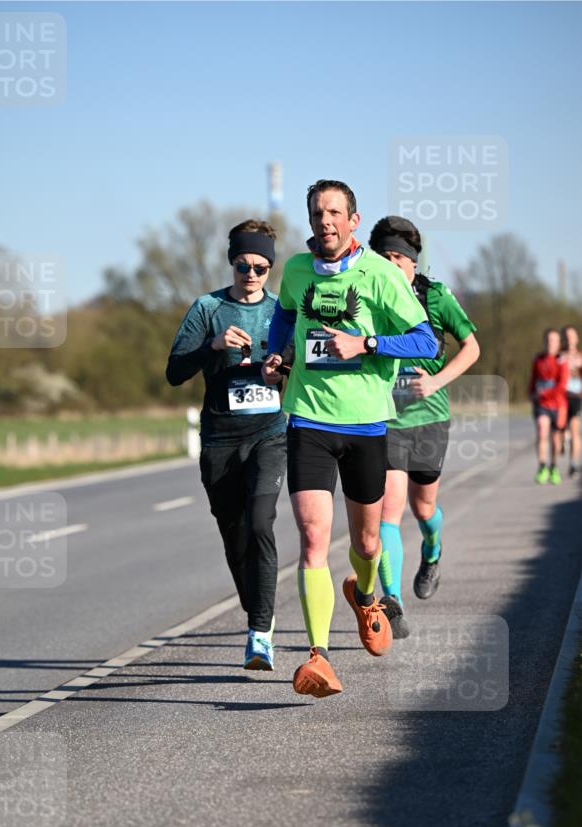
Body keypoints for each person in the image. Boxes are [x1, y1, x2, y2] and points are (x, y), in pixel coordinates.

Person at [262, 180, 437, 699]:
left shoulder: (381, 275)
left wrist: (366, 341)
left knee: (365, 542)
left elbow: (425, 340)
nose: (326, 222)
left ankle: (365, 595)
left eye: (335, 213)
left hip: (366, 425)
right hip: (309, 421)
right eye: (318, 213)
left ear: (354, 220)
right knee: (314, 539)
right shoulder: (294, 270)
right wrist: (278, 356)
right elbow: (285, 315)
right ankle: (318, 656)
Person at [166, 220, 286, 670]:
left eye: (260, 266)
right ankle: (257, 613)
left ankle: (260, 632)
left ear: (270, 268)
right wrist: (213, 346)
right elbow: (174, 372)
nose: (251, 274)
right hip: (219, 438)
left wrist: (281, 371)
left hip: (270, 433)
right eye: (243, 265)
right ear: (231, 263)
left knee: (260, 522)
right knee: (235, 537)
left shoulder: (281, 312)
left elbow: (299, 366)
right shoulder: (207, 308)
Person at [367, 216, 480, 632]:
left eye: (399, 257)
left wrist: (436, 381)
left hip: (430, 417)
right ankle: (392, 601)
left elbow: (472, 347)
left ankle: (432, 551)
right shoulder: (367, 297)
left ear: (414, 262)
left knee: (423, 507)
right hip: (388, 417)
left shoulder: (436, 297)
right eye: (384, 257)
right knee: (388, 511)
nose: (393, 265)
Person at [529, 328, 568, 485]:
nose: (550, 343)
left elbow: (562, 385)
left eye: (554, 341)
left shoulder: (561, 361)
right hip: (541, 405)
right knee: (542, 430)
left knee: (555, 439)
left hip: (558, 405)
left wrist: (544, 393)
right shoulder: (538, 359)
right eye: (548, 340)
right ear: (544, 342)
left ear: (559, 344)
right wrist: (532, 393)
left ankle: (554, 466)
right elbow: (533, 380)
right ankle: (542, 467)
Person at [560, 324, 581, 477]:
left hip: (576, 396)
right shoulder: (559, 356)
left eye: (572, 336)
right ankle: (563, 440)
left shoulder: (580, 357)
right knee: (560, 428)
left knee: (575, 431)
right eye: (566, 336)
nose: (569, 339)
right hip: (560, 396)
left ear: (577, 338)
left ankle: (573, 464)